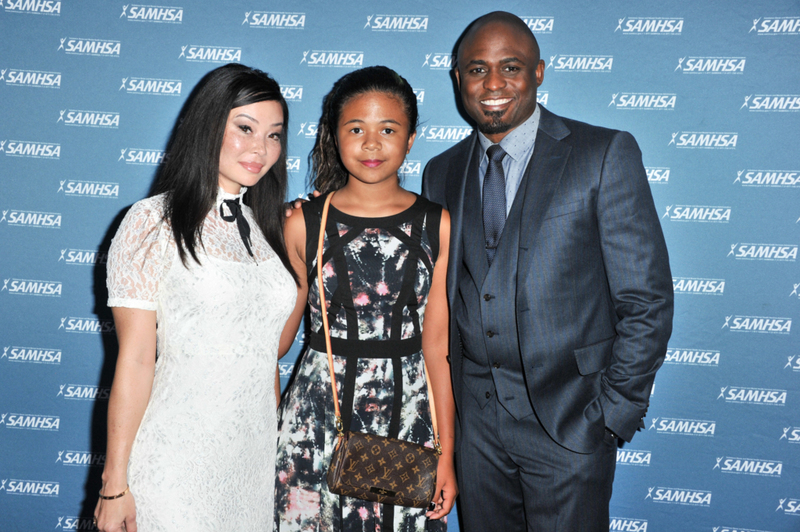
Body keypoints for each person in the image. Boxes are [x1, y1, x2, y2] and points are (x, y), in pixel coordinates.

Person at [421, 12, 673, 531]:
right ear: (457, 79)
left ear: (539, 72)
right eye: (476, 69)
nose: (492, 84)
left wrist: (612, 416)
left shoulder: (602, 153)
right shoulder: (440, 171)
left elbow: (645, 299)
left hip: (573, 424)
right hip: (476, 431)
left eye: (510, 67)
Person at [95, 64, 300, 532]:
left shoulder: (262, 227)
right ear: (209, 126)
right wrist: (114, 483)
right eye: (245, 129)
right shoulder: (152, 222)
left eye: (274, 135)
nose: (260, 149)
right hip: (175, 464)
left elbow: (266, 353)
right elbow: (136, 359)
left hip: (250, 465)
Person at [274, 66, 456, 532]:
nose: (371, 144)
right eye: (356, 129)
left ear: (411, 139)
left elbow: (437, 349)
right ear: (335, 137)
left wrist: (446, 455)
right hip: (316, 423)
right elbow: (274, 342)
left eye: (388, 129)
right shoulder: (301, 223)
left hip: (408, 420)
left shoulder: (437, 223)